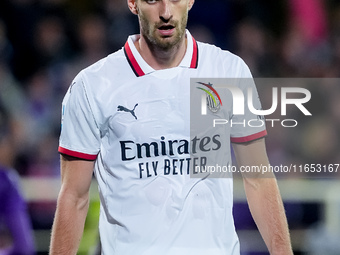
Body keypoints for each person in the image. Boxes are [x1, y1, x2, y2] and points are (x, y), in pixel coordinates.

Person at [50, 0, 293, 254]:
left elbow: (258, 179)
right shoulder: (93, 86)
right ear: (132, 4)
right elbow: (74, 197)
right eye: (153, 0)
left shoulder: (227, 70)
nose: (166, 12)